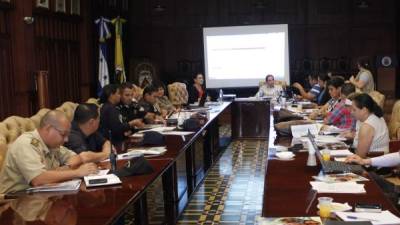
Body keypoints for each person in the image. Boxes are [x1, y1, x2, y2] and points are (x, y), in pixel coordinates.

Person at [0, 110, 98, 194]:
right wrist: (76, 172)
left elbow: (77, 158)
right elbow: (38, 180)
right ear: (48, 128)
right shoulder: (26, 144)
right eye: (63, 134)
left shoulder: (52, 144)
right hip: (17, 201)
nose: (66, 139)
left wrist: (64, 169)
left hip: (43, 195)